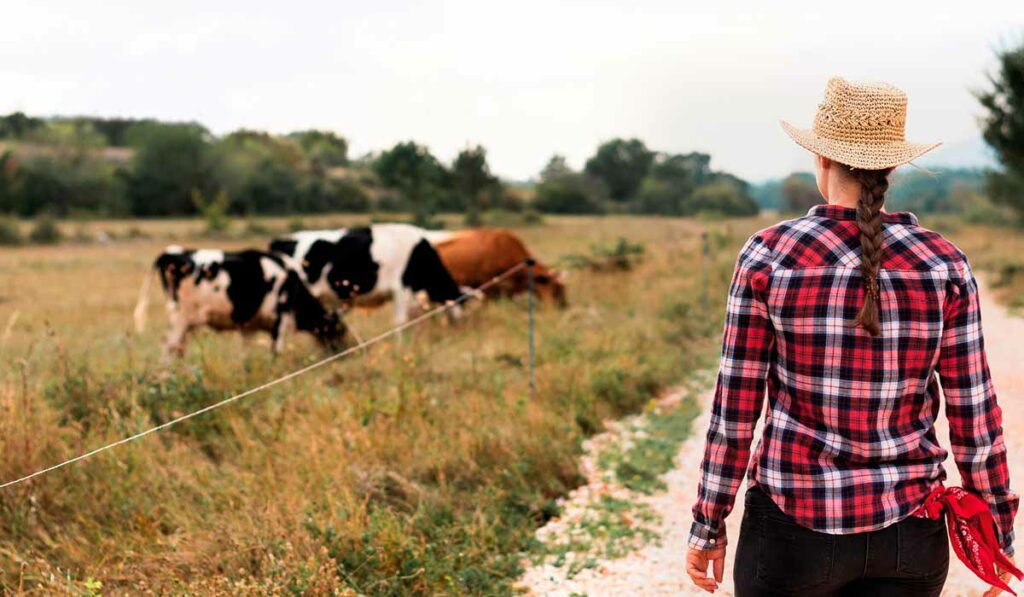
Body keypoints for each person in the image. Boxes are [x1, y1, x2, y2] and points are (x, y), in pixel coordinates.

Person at [685, 76, 1019, 596]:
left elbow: (735, 410)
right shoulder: (944, 263)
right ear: (892, 165)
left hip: (791, 533)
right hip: (910, 533)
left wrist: (709, 522)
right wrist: (997, 533)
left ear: (821, 159)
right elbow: (975, 417)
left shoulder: (769, 255)